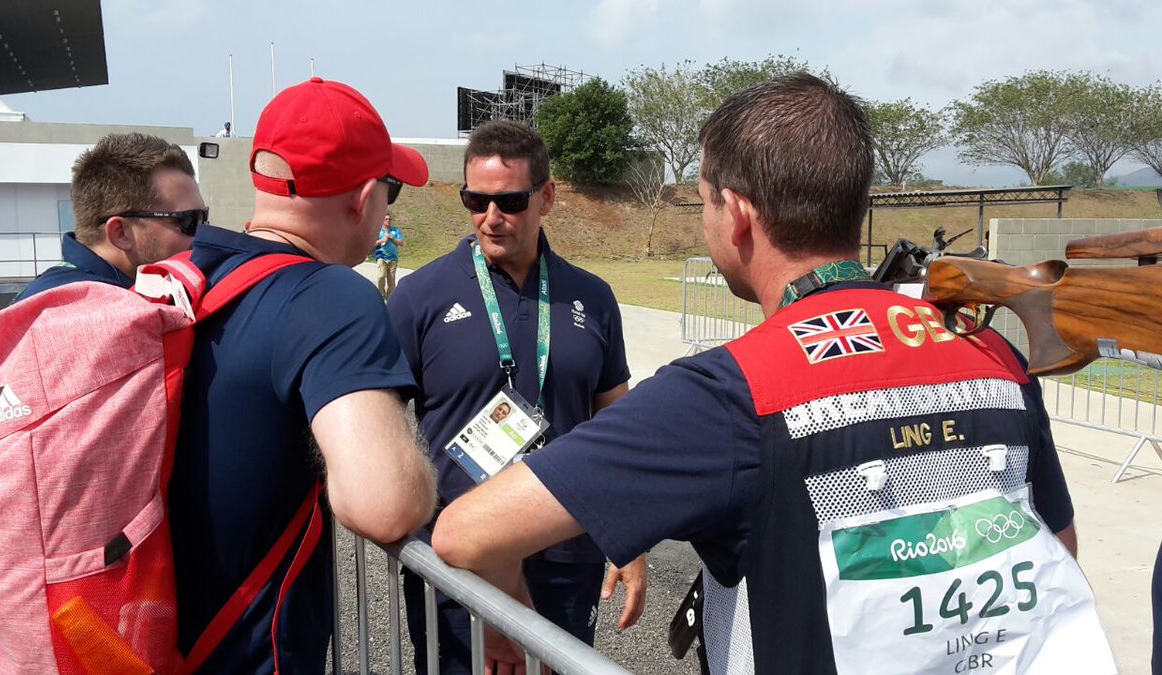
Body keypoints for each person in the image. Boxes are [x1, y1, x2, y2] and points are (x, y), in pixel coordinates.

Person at [434, 74, 1113, 674]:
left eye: (704, 200)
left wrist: (506, 617)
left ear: (739, 216)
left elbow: (466, 532)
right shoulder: (995, 355)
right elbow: (1058, 547)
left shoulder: (727, 392)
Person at [168, 77, 437, 672]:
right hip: (247, 654)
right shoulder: (329, 295)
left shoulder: (183, 274)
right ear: (365, 197)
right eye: (389, 188)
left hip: (142, 638)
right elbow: (385, 504)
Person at [386, 119, 646, 674]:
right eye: (475, 201)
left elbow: (617, 423)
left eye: (510, 201)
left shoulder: (592, 297)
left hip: (565, 552)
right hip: (458, 559)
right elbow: (381, 422)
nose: (491, 217)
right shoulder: (420, 297)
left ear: (547, 197)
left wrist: (632, 535)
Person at [17, 132, 206, 301]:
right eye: (189, 221)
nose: (204, 236)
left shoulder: (110, 292)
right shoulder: (77, 313)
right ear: (121, 233)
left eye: (204, 218)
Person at [374, 213, 404, 300]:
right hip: (381, 257)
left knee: (391, 281)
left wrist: (392, 238)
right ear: (382, 221)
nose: (388, 221)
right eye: (386, 219)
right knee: (381, 276)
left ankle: (389, 299)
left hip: (393, 258)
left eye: (389, 219)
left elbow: (401, 243)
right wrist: (382, 240)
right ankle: (381, 296)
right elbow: (372, 243)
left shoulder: (395, 230)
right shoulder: (378, 230)